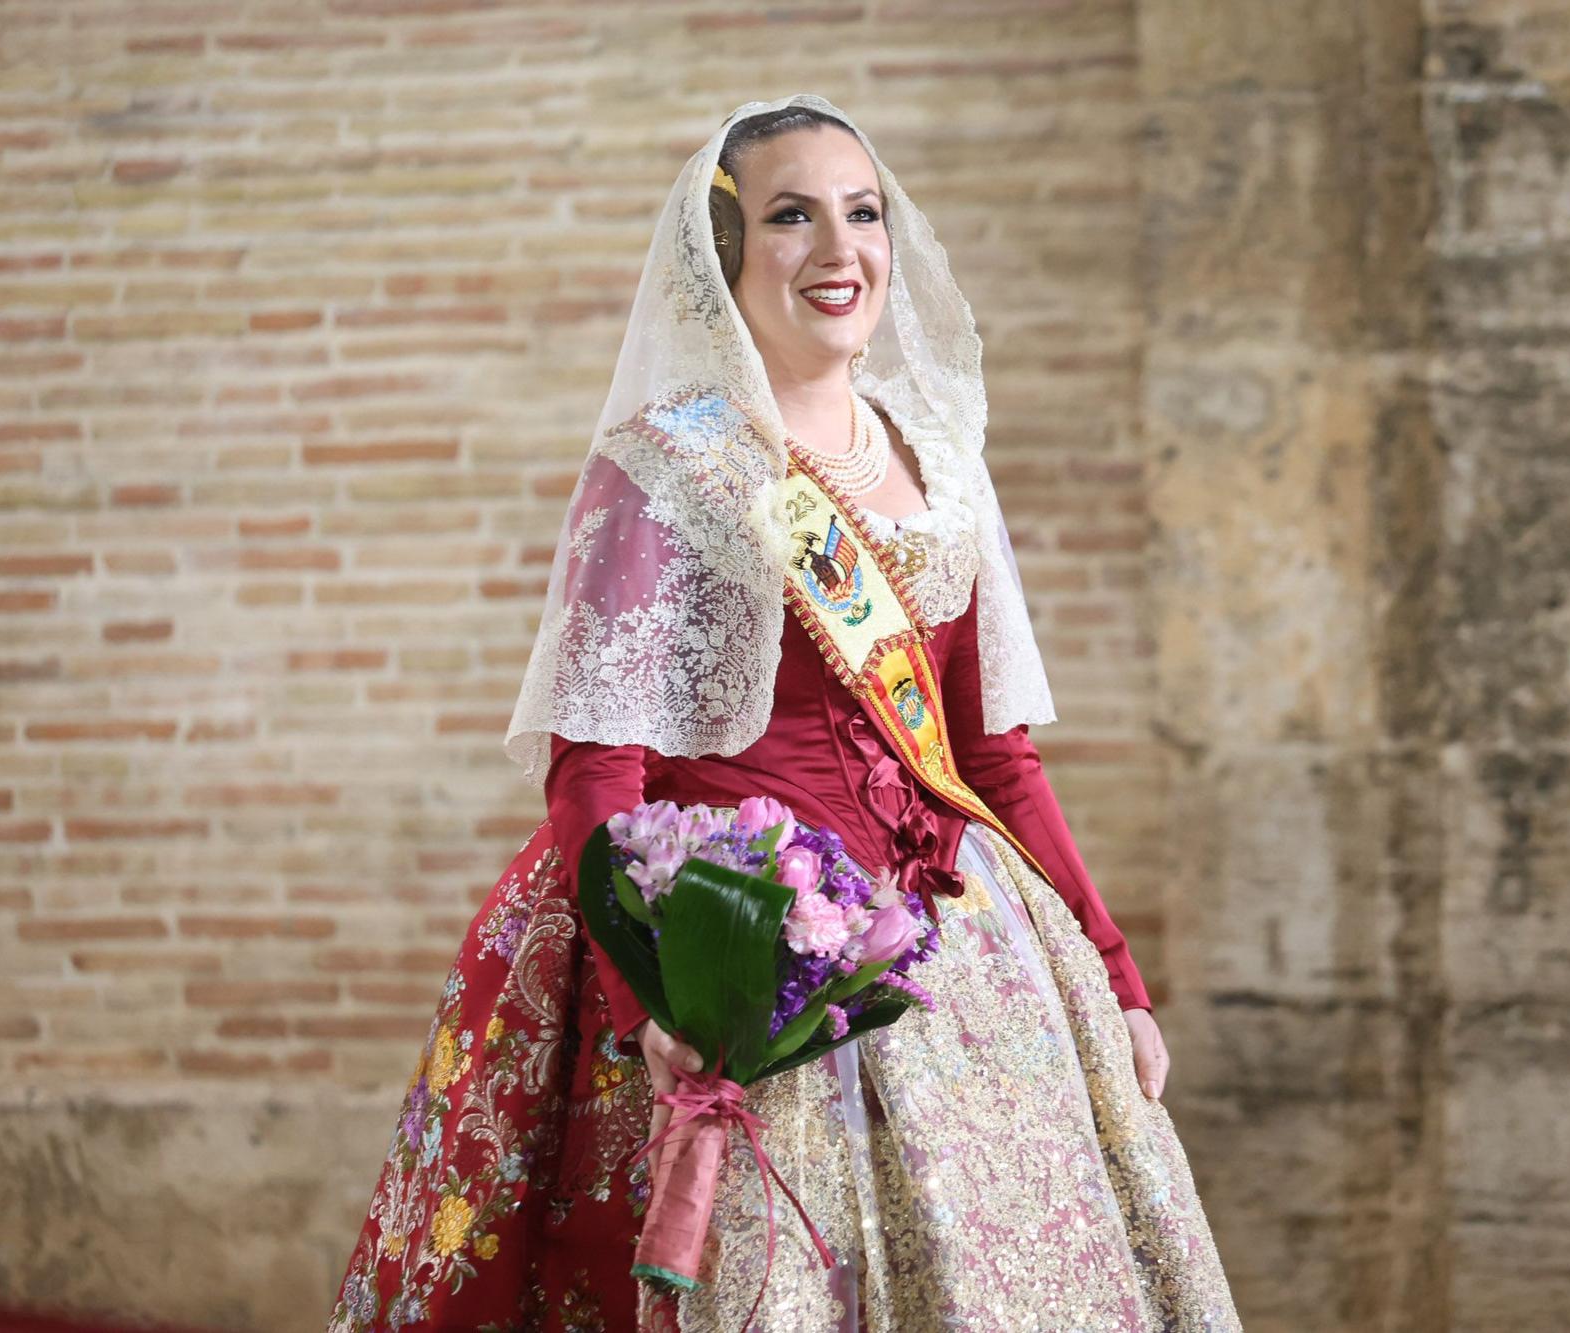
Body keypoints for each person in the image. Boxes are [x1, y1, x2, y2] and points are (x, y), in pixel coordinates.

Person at [326, 92, 1241, 1333]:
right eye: (790, 216)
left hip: (961, 960)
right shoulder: (671, 465)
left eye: (860, 214)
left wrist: (1113, 970)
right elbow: (597, 769)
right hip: (736, 947)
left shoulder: (938, 463)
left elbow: (990, 758)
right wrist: (652, 1004)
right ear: (724, 254)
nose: (837, 249)